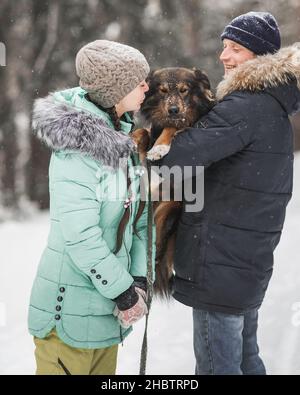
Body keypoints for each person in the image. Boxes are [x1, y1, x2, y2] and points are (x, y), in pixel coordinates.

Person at [160, 12, 300, 374]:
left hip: (219, 264)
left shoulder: (244, 107)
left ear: (260, 56)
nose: (224, 56)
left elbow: (173, 159)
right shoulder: (273, 107)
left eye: (235, 48)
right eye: (224, 47)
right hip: (244, 263)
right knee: (245, 358)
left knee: (216, 366)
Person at [28, 40, 155, 375]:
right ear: (115, 90)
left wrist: (139, 278)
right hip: (67, 317)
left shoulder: (124, 143)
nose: (147, 85)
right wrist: (124, 291)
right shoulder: (77, 152)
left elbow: (140, 221)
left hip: (104, 319)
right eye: (138, 80)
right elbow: (80, 236)